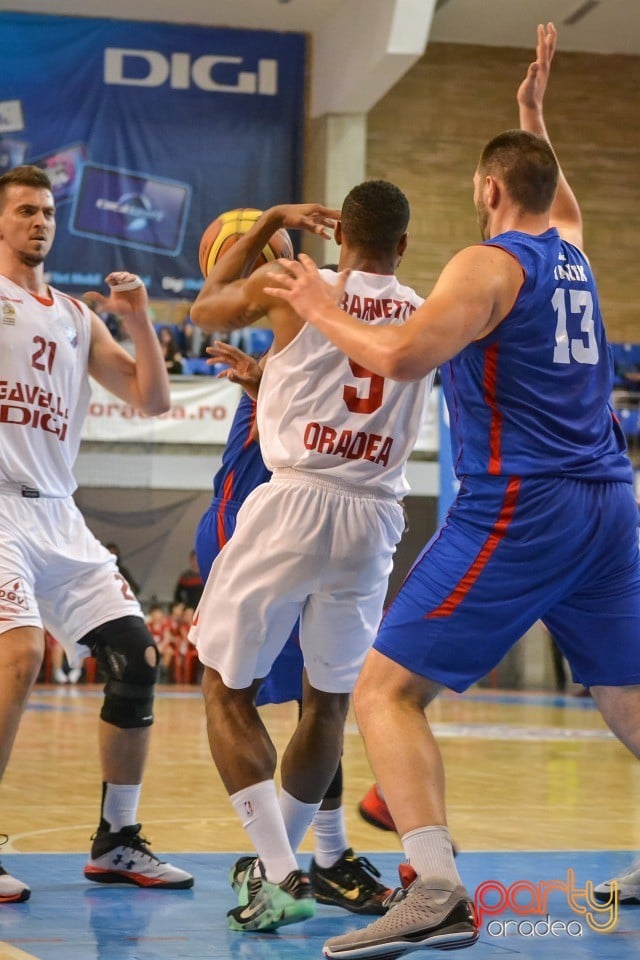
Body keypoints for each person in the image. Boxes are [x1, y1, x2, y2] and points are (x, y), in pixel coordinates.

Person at [265, 23, 640, 957]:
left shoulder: (489, 262)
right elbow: (552, 192)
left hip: (526, 503)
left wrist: (316, 302)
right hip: (610, 499)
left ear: (486, 190)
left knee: (386, 692)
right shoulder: (576, 256)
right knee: (627, 690)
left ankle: (435, 886)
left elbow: (395, 356)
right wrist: (532, 113)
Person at [188, 185, 432, 932]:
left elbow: (204, 309)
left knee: (224, 689)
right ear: (403, 244)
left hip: (294, 501)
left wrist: (267, 221)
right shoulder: (426, 306)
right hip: (375, 516)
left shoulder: (299, 283)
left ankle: (282, 870)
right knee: (326, 702)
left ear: (337, 236)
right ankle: (282, 871)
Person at [0, 164, 193, 905]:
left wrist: (139, 316)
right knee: (16, 653)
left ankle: (117, 840)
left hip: (58, 513)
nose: (38, 222)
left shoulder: (79, 319)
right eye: (22, 211)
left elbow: (152, 398)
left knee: (138, 657)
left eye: (46, 211)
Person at [194, 353, 391, 914]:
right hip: (258, 520)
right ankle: (300, 863)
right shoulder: (301, 338)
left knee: (322, 700)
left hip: (317, 516)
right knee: (299, 699)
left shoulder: (331, 328)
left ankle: (307, 864)